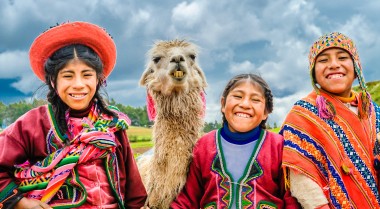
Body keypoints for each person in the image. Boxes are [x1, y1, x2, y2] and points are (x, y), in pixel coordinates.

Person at [0, 21, 147, 209]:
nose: (78, 84)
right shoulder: (33, 124)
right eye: (68, 76)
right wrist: (21, 203)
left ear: (98, 79)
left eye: (86, 75)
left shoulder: (112, 124)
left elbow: (134, 191)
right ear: (53, 81)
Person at [280, 32, 380, 208]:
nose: (334, 65)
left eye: (342, 57)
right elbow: (302, 178)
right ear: (314, 73)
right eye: (323, 60)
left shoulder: (372, 111)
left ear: (356, 69)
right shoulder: (302, 115)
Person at [170, 73, 301, 208]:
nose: (244, 104)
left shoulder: (278, 146)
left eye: (255, 100)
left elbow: (291, 199)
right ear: (223, 104)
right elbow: (188, 199)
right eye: (238, 96)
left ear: (266, 112)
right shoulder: (204, 146)